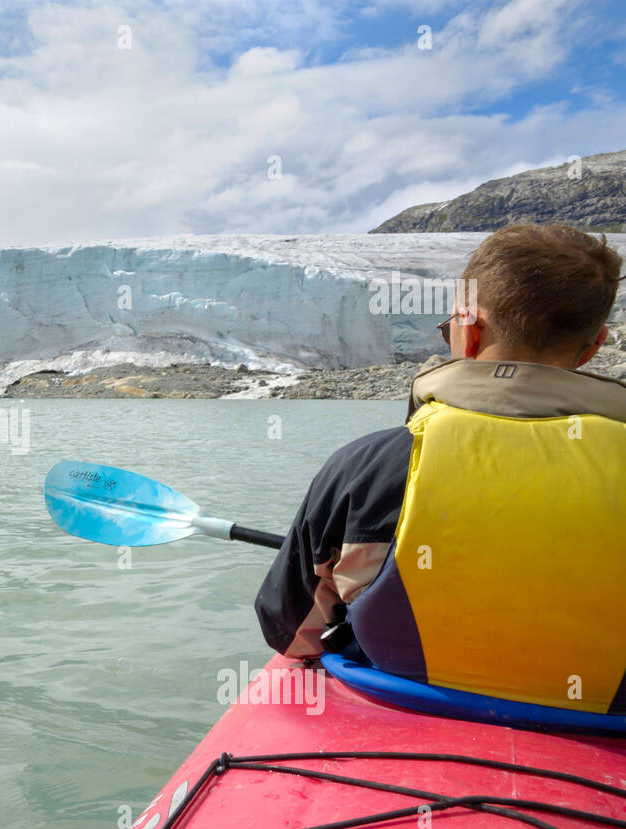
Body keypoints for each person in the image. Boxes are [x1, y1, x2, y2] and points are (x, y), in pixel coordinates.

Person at [254, 223, 626, 714]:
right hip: (601, 728)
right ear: (593, 346)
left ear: (468, 330)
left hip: (404, 702)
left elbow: (289, 629)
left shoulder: (370, 465)